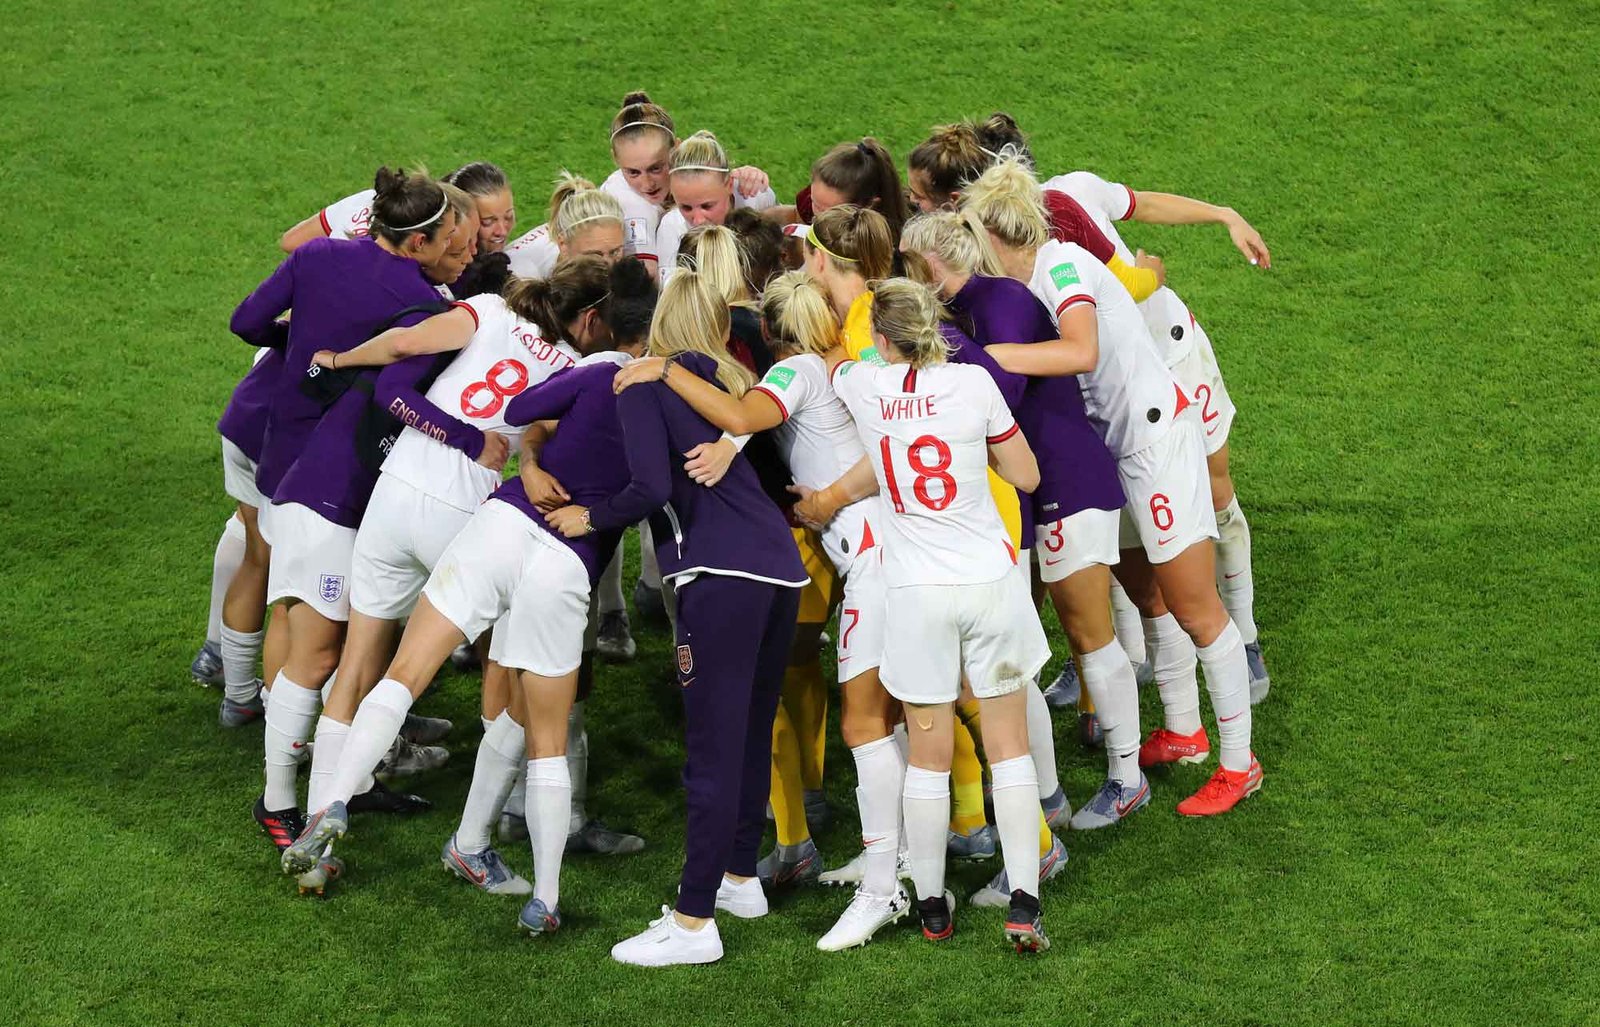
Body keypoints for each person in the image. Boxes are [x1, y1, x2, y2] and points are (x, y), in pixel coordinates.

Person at [293, 260, 614, 893]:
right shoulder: (578, 370)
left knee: (363, 665)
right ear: (588, 317)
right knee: (512, 676)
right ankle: (476, 839)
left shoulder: (490, 310)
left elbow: (406, 345)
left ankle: (319, 824)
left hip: (394, 493)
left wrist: (339, 358)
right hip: (466, 513)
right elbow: (548, 441)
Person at [613, 270, 908, 951]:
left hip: (814, 568)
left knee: (852, 726)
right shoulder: (845, 370)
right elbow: (747, 419)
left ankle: (694, 920)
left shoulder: (781, 377)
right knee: (777, 730)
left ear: (768, 333)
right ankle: (744, 877)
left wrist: (654, 369)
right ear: (725, 333)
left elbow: (736, 421)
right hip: (799, 567)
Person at [963, 157, 1263, 817]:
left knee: (1195, 607)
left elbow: (1081, 351)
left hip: (1156, 444)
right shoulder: (1027, 275)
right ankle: (1185, 730)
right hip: (1116, 449)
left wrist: (983, 360)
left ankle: (1240, 764)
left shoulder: (1060, 265)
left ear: (996, 235)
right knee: (1147, 594)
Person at [569, 268, 808, 967]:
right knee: (748, 732)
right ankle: (739, 877)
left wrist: (592, 515)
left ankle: (694, 918)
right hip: (779, 570)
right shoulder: (728, 383)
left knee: (710, 748)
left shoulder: (646, 382)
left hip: (720, 575)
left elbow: (647, 486)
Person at [229, 167, 460, 861]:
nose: (458, 242)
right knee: (320, 642)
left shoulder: (319, 256)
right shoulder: (423, 303)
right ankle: (280, 796)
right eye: (450, 233)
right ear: (418, 240)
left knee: (310, 618)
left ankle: (336, 781)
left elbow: (247, 322)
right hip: (341, 469)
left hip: (293, 443)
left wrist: (303, 355)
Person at [901, 210, 1147, 829]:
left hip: (1069, 479)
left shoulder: (1001, 300)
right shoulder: (974, 308)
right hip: (1034, 491)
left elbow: (1000, 392)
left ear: (931, 265)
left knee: (1088, 631)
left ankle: (1127, 776)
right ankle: (1045, 792)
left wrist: (950, 347)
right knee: (1017, 646)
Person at [826, 277, 1050, 952]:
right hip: (988, 580)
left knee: (928, 753)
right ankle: (1023, 897)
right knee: (1007, 746)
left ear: (884, 338)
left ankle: (929, 905)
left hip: (916, 593)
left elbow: (844, 364)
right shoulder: (976, 387)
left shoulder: (863, 388)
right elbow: (1029, 475)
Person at [1041, 166, 1273, 701]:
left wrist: (1223, 214)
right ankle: (1124, 650)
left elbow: (1142, 205)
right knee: (1116, 516)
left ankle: (1245, 638)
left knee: (1216, 497)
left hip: (1170, 353)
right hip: (1110, 384)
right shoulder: (988, 253)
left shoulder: (1070, 194)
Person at [601, 91, 770, 271]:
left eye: (656, 168)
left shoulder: (731, 187)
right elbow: (647, 280)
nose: (647, 183)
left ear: (676, 149)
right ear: (616, 161)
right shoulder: (632, 206)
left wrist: (739, 176)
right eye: (633, 172)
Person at [654, 131, 776, 284]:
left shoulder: (757, 199)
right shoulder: (672, 227)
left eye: (707, 206)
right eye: (686, 208)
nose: (698, 220)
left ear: (729, 185)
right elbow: (672, 293)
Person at [505, 173, 626, 280]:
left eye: (615, 252)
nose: (608, 265)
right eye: (594, 255)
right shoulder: (521, 273)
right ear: (563, 244)